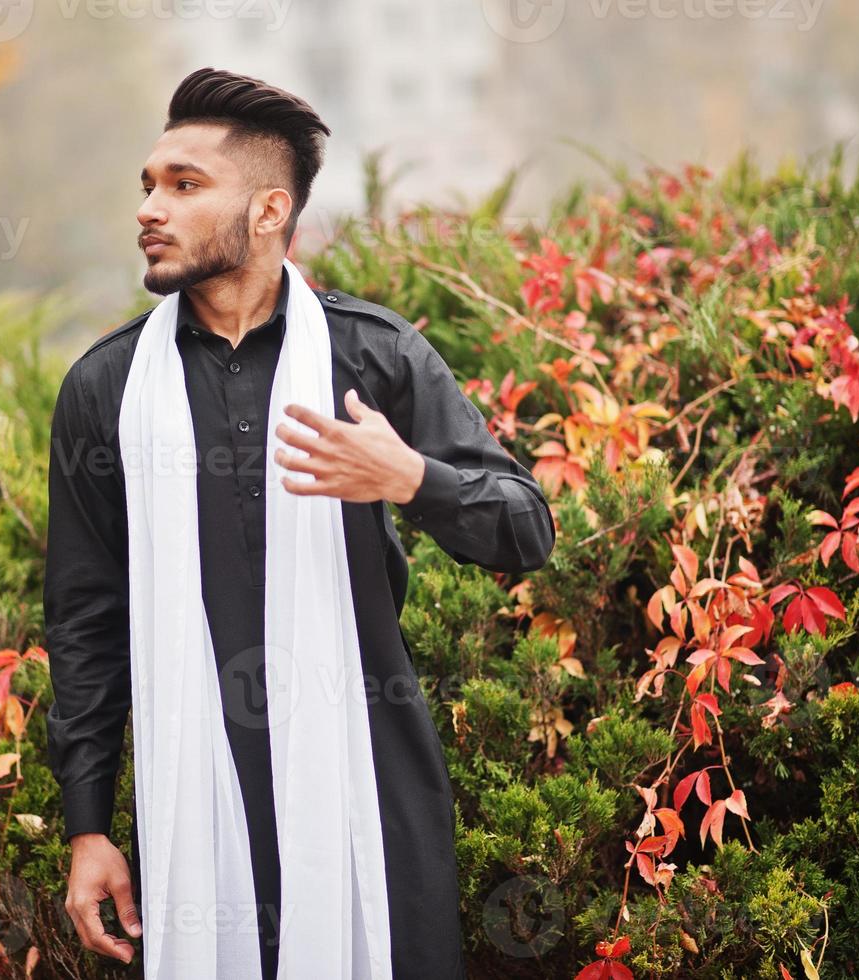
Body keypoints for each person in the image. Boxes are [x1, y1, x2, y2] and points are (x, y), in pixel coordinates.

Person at [44, 66, 556, 979]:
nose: (150, 209)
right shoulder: (107, 389)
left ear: (270, 210)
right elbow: (85, 621)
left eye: (185, 185)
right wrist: (88, 825)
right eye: (148, 186)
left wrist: (412, 477)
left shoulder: (374, 355)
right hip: (196, 795)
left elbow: (525, 531)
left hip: (371, 781)